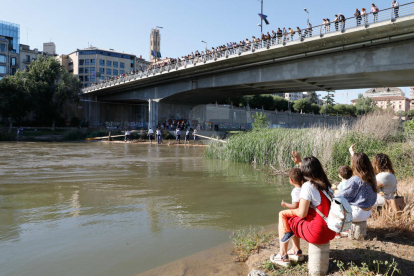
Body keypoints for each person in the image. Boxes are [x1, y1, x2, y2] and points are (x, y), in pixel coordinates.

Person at [270, 152, 336, 263]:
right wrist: (300, 162)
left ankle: (282, 255)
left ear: (305, 172)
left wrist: (288, 209)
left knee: (286, 217)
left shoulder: (308, 186)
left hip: (318, 233)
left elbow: (302, 214)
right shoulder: (326, 185)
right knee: (293, 218)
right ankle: (296, 250)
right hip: (331, 230)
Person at [337, 143, 377, 222]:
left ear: (354, 164)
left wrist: (335, 192)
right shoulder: (372, 175)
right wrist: (352, 152)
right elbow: (360, 161)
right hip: (367, 212)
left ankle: (339, 230)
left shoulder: (356, 179)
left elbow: (341, 197)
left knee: (334, 202)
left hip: (357, 214)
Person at [279, 168, 304, 243]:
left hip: (298, 211)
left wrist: (285, 204)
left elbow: (295, 205)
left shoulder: (295, 191)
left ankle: (288, 232)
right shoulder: (304, 188)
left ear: (291, 180)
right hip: (303, 210)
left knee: (282, 214)